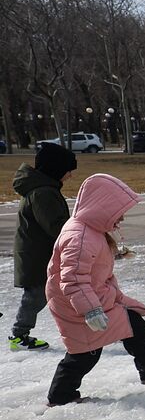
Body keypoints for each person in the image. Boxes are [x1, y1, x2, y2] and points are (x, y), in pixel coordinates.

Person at [45, 173, 145, 406]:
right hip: (78, 305)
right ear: (102, 208)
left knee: (134, 326)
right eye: (118, 212)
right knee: (85, 353)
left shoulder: (91, 231)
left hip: (96, 298)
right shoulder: (79, 237)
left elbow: (87, 264)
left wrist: (113, 254)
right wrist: (90, 311)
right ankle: (60, 396)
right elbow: (73, 280)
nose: (121, 218)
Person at [10, 142, 76, 351]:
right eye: (68, 170)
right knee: (37, 296)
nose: (70, 175)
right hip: (36, 255)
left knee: (64, 291)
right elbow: (56, 226)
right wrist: (77, 232)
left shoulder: (44, 189)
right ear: (56, 169)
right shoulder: (43, 193)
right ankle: (18, 335)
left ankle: (89, 325)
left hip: (40, 252)